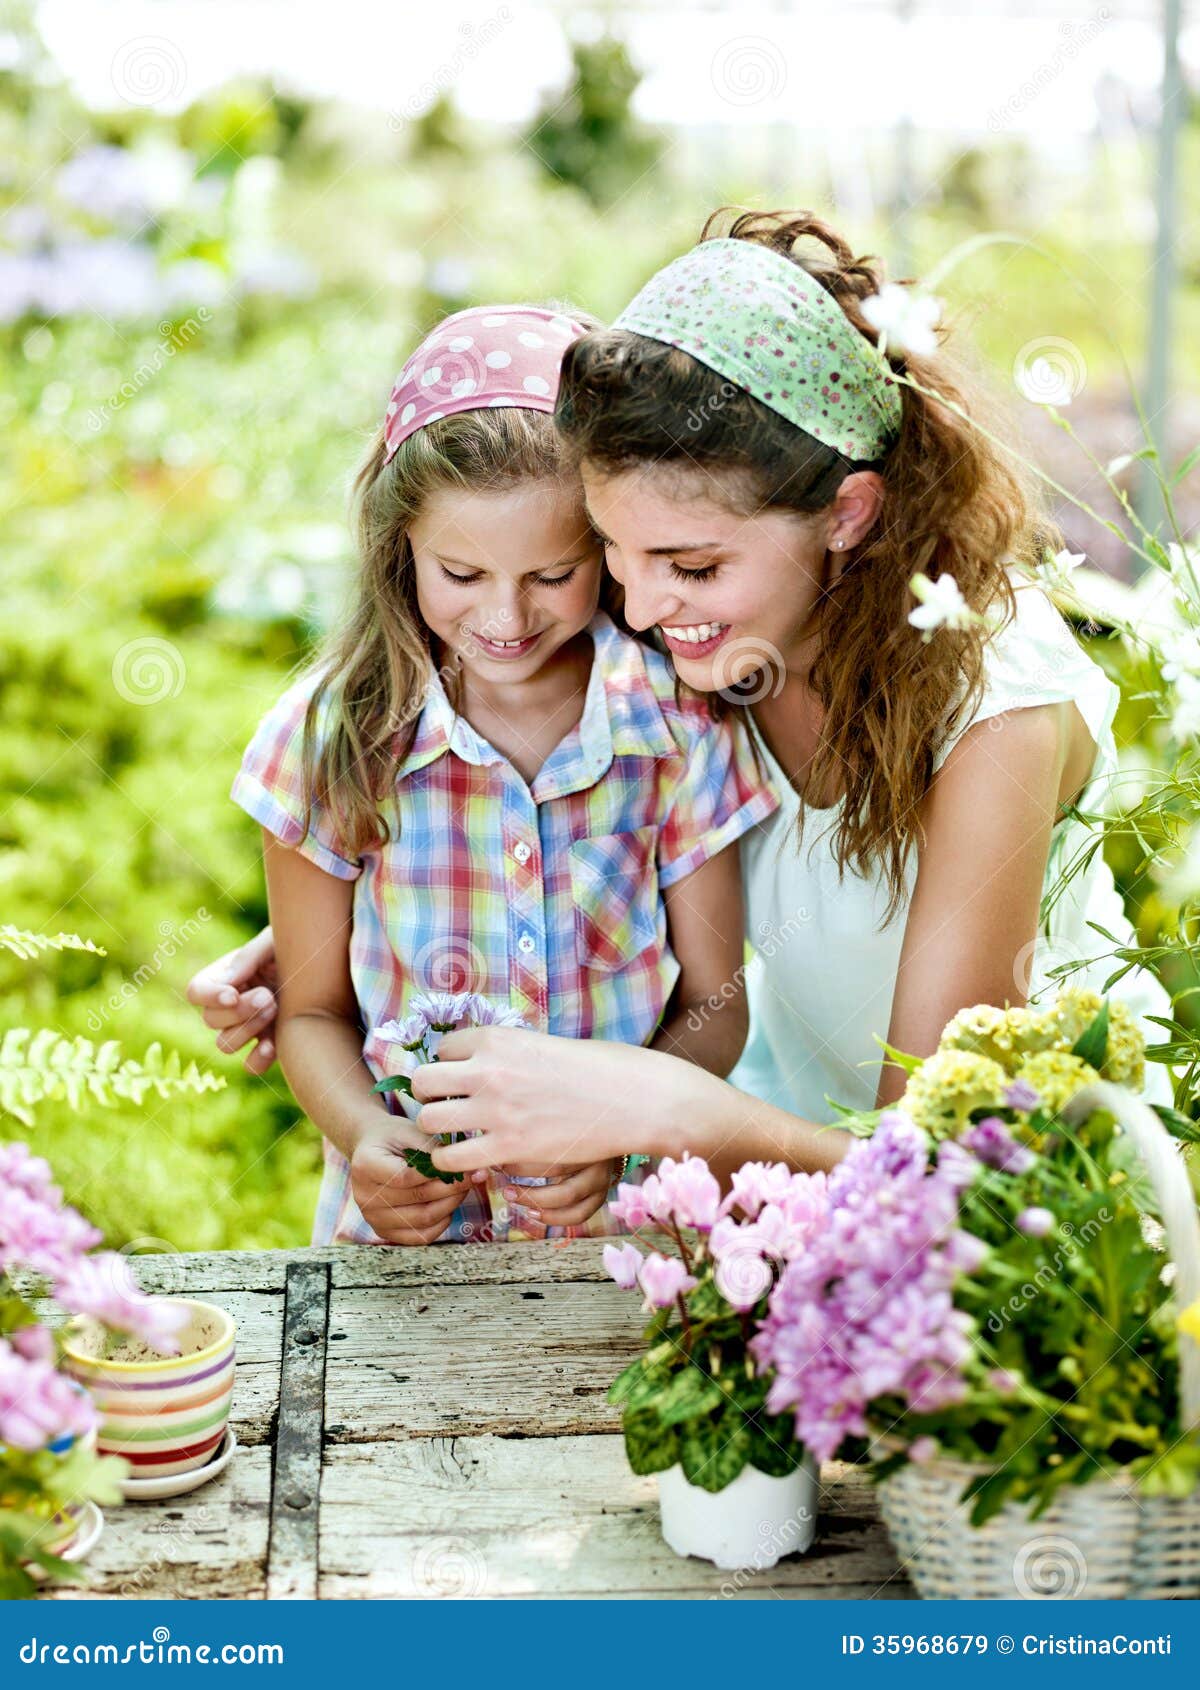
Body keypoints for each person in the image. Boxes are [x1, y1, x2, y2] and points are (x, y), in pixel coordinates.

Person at [193, 210, 1171, 1193]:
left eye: (690, 565)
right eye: (612, 551)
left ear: (848, 514)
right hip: (799, 1192)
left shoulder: (993, 710)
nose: (645, 605)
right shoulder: (713, 641)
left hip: (1035, 1223)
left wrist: (659, 1108)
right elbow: (571, 807)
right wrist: (341, 916)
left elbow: (933, 1170)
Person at [224, 301, 777, 1247]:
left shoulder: (676, 728)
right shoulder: (336, 739)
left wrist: (629, 1134)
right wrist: (363, 1135)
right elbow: (312, 1012)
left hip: (616, 1239)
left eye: (553, 575)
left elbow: (715, 1006)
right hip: (408, 1252)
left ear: (606, 548)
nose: (507, 617)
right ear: (400, 546)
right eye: (461, 574)